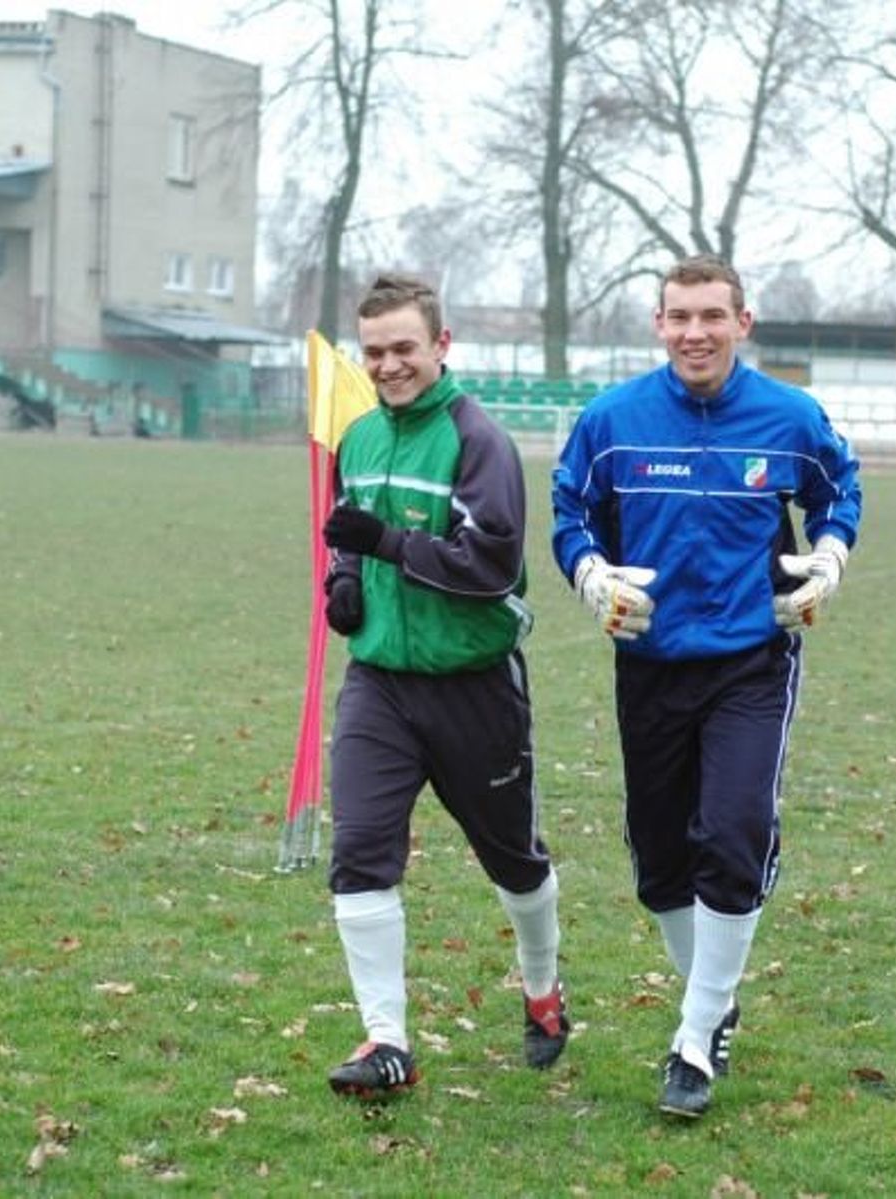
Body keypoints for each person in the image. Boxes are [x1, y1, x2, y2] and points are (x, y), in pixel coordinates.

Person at [551, 254, 862, 1119]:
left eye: (711, 316)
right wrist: (588, 578)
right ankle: (715, 1001)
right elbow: (569, 513)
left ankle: (693, 1041)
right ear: (657, 323)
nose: (695, 332)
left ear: (742, 322)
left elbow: (842, 488)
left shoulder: (789, 417)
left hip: (750, 662)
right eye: (678, 316)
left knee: (733, 832)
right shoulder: (611, 421)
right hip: (648, 667)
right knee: (660, 861)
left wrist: (829, 558)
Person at [318, 272, 568, 1100]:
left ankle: (541, 990)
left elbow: (489, 567)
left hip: (474, 688)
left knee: (514, 864)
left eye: (403, 349)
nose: (389, 365)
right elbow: (346, 530)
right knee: (358, 852)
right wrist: (344, 577)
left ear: (440, 347)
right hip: (380, 684)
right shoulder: (356, 437)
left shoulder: (478, 441)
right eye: (375, 352)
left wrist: (382, 545)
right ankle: (387, 1041)